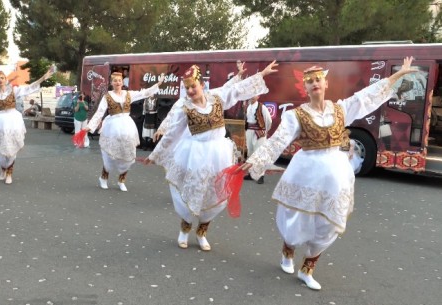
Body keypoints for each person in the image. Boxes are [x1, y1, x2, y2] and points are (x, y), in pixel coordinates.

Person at [238, 57, 417, 290]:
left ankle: (308, 269)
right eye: (309, 81)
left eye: (318, 79)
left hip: (336, 176)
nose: (315, 84)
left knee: (330, 223)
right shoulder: (296, 116)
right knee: (296, 220)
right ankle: (288, 250)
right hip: (305, 174)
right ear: (305, 87)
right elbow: (277, 141)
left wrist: (397, 75)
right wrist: (254, 161)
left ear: (326, 84)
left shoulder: (340, 109)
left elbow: (367, 97)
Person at [143, 61, 279, 251]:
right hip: (194, 154)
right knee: (191, 192)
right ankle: (185, 228)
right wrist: (155, 155)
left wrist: (261, 74)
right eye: (187, 87)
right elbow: (173, 133)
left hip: (219, 154)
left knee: (214, 194)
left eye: (193, 86)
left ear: (202, 85)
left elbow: (237, 90)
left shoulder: (216, 97)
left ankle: (202, 232)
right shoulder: (185, 108)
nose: (190, 90)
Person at [0, 68, 54, 184]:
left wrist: (43, 78)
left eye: (2, 78)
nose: (0, 80)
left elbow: (29, 88)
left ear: (5, 79)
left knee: (11, 147)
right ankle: (3, 168)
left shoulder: (13, 90)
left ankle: (9, 173)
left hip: (12, 121)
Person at [84, 72, 165, 192]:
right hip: (112, 127)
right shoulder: (107, 96)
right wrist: (89, 127)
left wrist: (158, 83)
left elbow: (144, 93)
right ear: (111, 83)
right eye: (115, 80)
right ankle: (104, 177)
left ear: (122, 82)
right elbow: (100, 112)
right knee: (110, 154)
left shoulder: (129, 94)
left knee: (129, 154)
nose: (117, 82)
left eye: (119, 80)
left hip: (127, 126)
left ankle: (122, 180)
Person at [243, 95, 272, 184]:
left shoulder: (262, 107)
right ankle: (252, 174)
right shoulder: (248, 107)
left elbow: (269, 121)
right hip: (250, 132)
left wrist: (264, 131)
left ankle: (261, 175)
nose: (252, 96)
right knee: (251, 154)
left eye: (255, 94)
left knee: (259, 155)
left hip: (259, 133)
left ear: (258, 96)